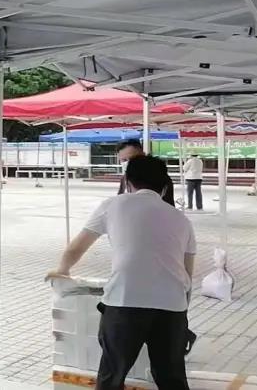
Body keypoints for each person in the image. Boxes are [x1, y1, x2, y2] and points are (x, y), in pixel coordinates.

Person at [49, 156, 196, 390]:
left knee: (112, 374)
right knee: (172, 377)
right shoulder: (181, 219)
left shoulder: (113, 205)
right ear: (164, 186)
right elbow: (188, 274)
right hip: (172, 306)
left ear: (128, 182)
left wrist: (62, 270)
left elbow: (76, 247)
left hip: (124, 301)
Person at [116, 140, 175, 206]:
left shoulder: (159, 177)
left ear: (143, 155)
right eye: (124, 160)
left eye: (133, 158)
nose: (129, 162)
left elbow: (169, 206)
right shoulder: (124, 178)